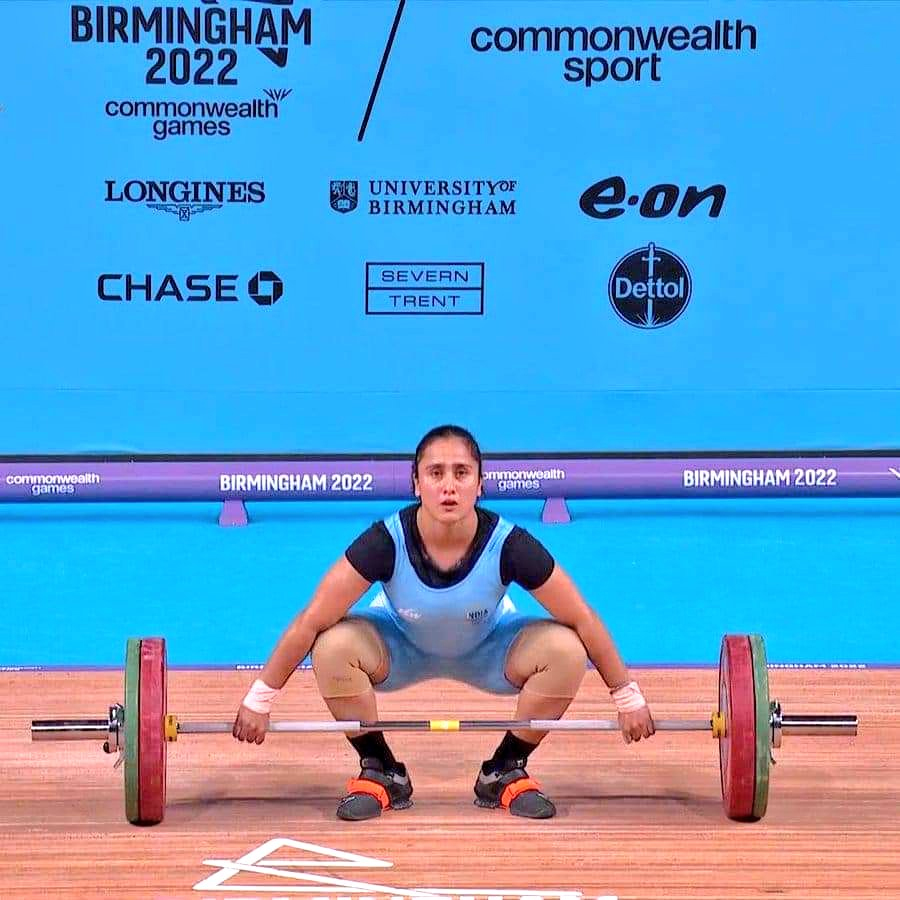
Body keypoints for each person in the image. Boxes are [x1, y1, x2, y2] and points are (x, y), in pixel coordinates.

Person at [232, 424, 655, 820]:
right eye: (435, 473)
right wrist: (260, 699)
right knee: (332, 643)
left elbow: (583, 617)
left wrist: (627, 697)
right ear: (416, 483)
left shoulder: (510, 545)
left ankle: (504, 770)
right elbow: (311, 619)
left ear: (480, 483)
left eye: (461, 473)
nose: (449, 485)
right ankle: (381, 769)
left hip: (488, 652)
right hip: (400, 649)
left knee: (566, 650)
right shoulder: (384, 542)